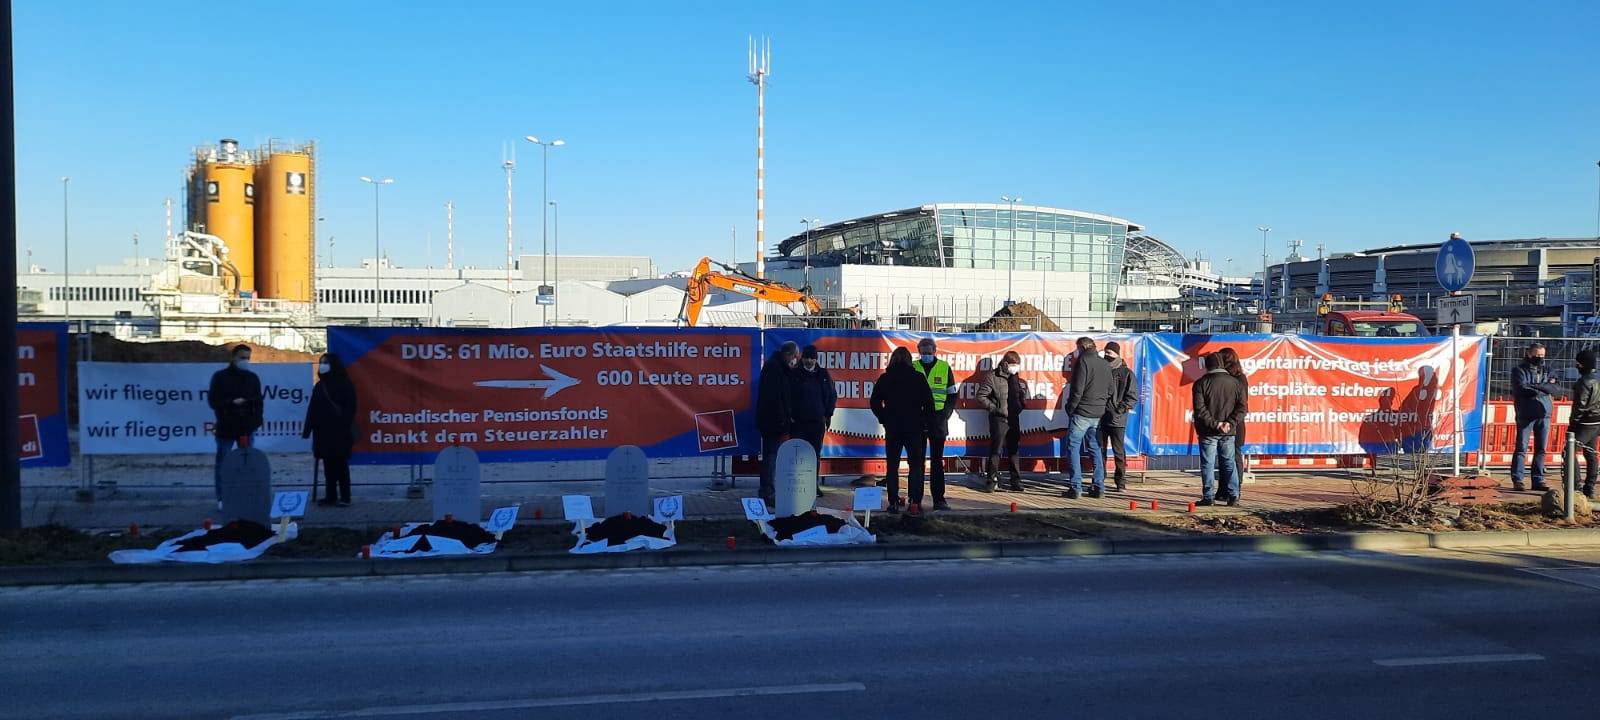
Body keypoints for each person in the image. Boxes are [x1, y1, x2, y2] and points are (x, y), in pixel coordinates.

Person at [870, 347, 937, 513]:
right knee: (915, 465)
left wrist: (883, 417)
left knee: (892, 466)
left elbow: (874, 402)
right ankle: (915, 501)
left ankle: (893, 502)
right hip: (915, 427)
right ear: (909, 360)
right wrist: (926, 423)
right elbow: (929, 404)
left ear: (892, 359)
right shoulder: (918, 378)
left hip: (893, 427)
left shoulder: (886, 378)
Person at [207, 344, 264, 507]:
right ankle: (222, 498)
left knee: (246, 464)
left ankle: (245, 496)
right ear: (233, 358)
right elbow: (213, 401)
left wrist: (256, 421)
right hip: (226, 426)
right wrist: (230, 403)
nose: (245, 361)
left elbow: (259, 402)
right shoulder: (220, 377)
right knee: (223, 463)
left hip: (246, 427)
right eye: (242, 357)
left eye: (248, 358)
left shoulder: (253, 378)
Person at [302, 353, 359, 507]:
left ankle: (345, 497)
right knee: (328, 466)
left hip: (340, 432)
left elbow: (351, 408)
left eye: (326, 362)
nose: (322, 365)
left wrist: (342, 424)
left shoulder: (345, 384)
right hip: (322, 433)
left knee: (341, 465)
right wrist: (307, 429)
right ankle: (331, 495)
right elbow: (312, 409)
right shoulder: (320, 385)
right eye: (321, 362)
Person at [1193, 352, 1247, 506]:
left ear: (1207, 366)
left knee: (1208, 464)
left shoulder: (1201, 383)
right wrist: (1229, 423)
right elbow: (1242, 408)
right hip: (1229, 431)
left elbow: (1200, 409)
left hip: (1208, 431)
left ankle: (1208, 497)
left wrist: (1216, 424)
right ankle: (1233, 496)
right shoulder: (1236, 382)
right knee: (1229, 462)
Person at [913, 337, 959, 510]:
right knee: (917, 461)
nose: (926, 356)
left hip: (938, 420)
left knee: (937, 461)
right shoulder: (913, 366)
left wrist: (946, 414)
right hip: (918, 419)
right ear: (919, 352)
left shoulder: (944, 367)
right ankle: (915, 499)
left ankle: (939, 499)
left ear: (935, 351)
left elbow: (952, 394)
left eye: (929, 353)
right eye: (923, 353)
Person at [1063, 337, 1112, 499]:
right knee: (1095, 449)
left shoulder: (1083, 361)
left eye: (1077, 349)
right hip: (1098, 413)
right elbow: (1110, 389)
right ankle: (1099, 486)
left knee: (1073, 447)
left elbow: (1078, 389)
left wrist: (1070, 407)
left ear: (1083, 347)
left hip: (1082, 412)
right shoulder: (1104, 363)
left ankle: (1075, 487)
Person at [1511, 343, 1564, 491]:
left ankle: (1538, 479)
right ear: (1529, 354)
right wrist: (1544, 387)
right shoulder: (1519, 370)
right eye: (1537, 355)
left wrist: (1535, 386)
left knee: (1541, 449)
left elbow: (1556, 389)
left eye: (1542, 355)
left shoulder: (1548, 370)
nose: (1540, 358)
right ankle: (1518, 479)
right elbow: (1521, 389)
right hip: (1525, 413)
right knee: (1521, 447)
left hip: (1544, 413)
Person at [755, 341, 800, 508]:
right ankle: (767, 492)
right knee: (771, 458)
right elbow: (774, 399)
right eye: (795, 357)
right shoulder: (774, 369)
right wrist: (783, 419)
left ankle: (769, 490)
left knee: (772, 457)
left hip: (775, 420)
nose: (796, 361)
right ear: (789, 355)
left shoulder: (779, 367)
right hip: (772, 421)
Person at [789, 345, 836, 497]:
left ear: (816, 359)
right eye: (806, 357)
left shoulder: (822, 374)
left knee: (814, 455)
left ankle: (813, 485)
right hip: (798, 423)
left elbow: (831, 395)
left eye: (812, 358)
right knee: (798, 455)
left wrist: (828, 414)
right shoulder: (795, 374)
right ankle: (797, 486)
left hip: (817, 422)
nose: (809, 361)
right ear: (801, 358)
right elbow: (788, 397)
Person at [976, 351, 1025, 493]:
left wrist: (1021, 404)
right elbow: (981, 396)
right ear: (1005, 364)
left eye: (1017, 365)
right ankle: (991, 480)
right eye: (1013, 365)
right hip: (999, 418)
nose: (1015, 368)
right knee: (996, 450)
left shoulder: (1015, 377)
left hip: (1014, 418)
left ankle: (1016, 480)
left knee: (1014, 450)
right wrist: (994, 409)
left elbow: (1019, 394)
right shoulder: (992, 377)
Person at [1099, 341, 1138, 492]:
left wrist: (1119, 410)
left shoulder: (1126, 373)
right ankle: (1099, 479)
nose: (1106, 355)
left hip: (1117, 419)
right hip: (1100, 416)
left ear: (1117, 354)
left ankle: (1120, 482)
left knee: (1118, 451)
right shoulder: (1102, 370)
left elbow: (1132, 396)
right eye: (1105, 352)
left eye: (1110, 353)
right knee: (1099, 450)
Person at [1216, 347, 1250, 502]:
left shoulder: (1238, 378)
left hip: (1235, 423)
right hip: (1227, 423)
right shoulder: (1233, 377)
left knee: (1234, 457)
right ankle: (1223, 489)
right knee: (1224, 458)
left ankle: (1235, 489)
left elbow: (1241, 404)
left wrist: (1230, 421)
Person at [1571, 349, 1600, 499]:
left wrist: (1573, 424)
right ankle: (1590, 487)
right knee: (1591, 453)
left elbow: (1580, 406)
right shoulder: (1598, 379)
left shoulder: (1584, 382)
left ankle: (1575, 486)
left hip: (1585, 422)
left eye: (1578, 363)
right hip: (1597, 421)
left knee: (1569, 452)